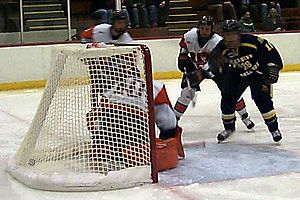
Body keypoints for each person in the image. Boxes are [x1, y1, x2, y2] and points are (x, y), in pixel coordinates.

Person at [174, 16, 255, 131]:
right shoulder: (189, 36)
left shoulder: (217, 42)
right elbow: (184, 49)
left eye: (207, 28)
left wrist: (202, 73)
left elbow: (215, 63)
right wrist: (182, 58)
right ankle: (173, 122)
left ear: (212, 29)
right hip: (196, 66)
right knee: (186, 93)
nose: (204, 31)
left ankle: (245, 117)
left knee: (231, 92)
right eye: (202, 28)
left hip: (217, 69)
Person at [210, 19, 283, 142]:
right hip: (236, 76)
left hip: (258, 75)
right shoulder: (220, 48)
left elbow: (271, 52)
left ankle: (274, 129)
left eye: (233, 34)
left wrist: (273, 66)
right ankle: (228, 128)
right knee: (227, 98)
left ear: (238, 34)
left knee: (262, 99)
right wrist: (219, 73)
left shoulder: (252, 41)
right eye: (227, 35)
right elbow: (213, 64)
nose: (230, 38)